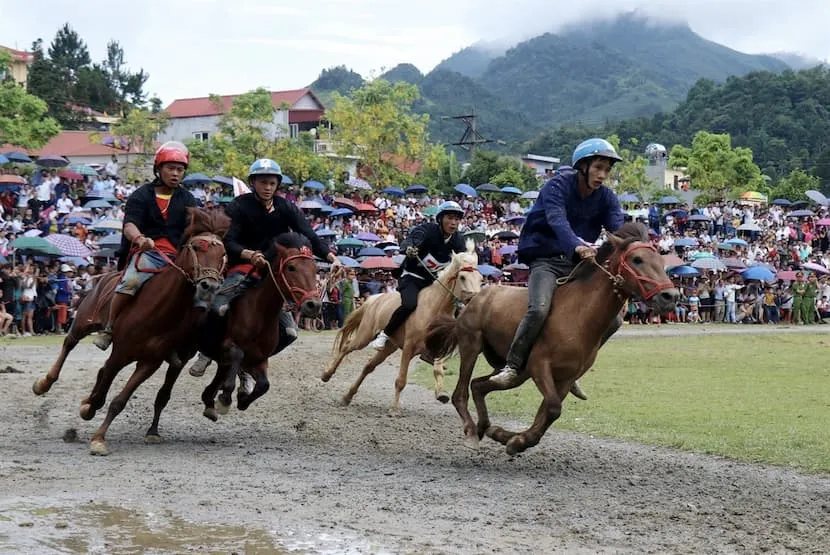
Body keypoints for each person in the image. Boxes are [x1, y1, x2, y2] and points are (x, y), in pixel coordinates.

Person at [489, 138, 626, 398]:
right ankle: (512, 364)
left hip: (577, 262)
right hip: (545, 258)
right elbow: (557, 222)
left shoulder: (607, 197)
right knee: (539, 309)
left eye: (607, 170)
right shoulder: (556, 187)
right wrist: (577, 246)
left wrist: (636, 245)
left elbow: (617, 229)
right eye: (598, 167)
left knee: (615, 320)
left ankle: (573, 372)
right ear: (583, 166)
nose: (603, 175)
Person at [188, 158, 339, 377]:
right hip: (241, 266)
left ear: (277, 184)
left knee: (289, 333)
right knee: (218, 306)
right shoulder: (239, 206)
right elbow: (228, 240)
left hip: (273, 272)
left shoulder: (285, 206)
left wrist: (331, 256)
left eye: (272, 183)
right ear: (253, 183)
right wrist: (248, 254)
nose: (268, 187)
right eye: (263, 182)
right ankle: (206, 353)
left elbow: (309, 234)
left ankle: (250, 361)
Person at [93, 141, 199, 352]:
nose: (175, 173)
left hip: (179, 257)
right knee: (130, 281)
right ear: (158, 169)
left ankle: (188, 340)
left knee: (203, 289)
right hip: (150, 253)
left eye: (180, 169)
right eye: (170, 168)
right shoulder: (141, 195)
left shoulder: (188, 198)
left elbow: (196, 227)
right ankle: (109, 328)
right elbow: (129, 224)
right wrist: (140, 238)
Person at [369, 200, 466, 351]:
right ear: (440, 219)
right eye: (450, 218)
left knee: (456, 306)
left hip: (434, 283)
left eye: (457, 219)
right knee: (409, 304)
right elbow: (410, 240)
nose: (453, 223)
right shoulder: (426, 230)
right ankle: (384, 334)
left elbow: (463, 259)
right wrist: (409, 248)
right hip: (412, 277)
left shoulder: (458, 240)